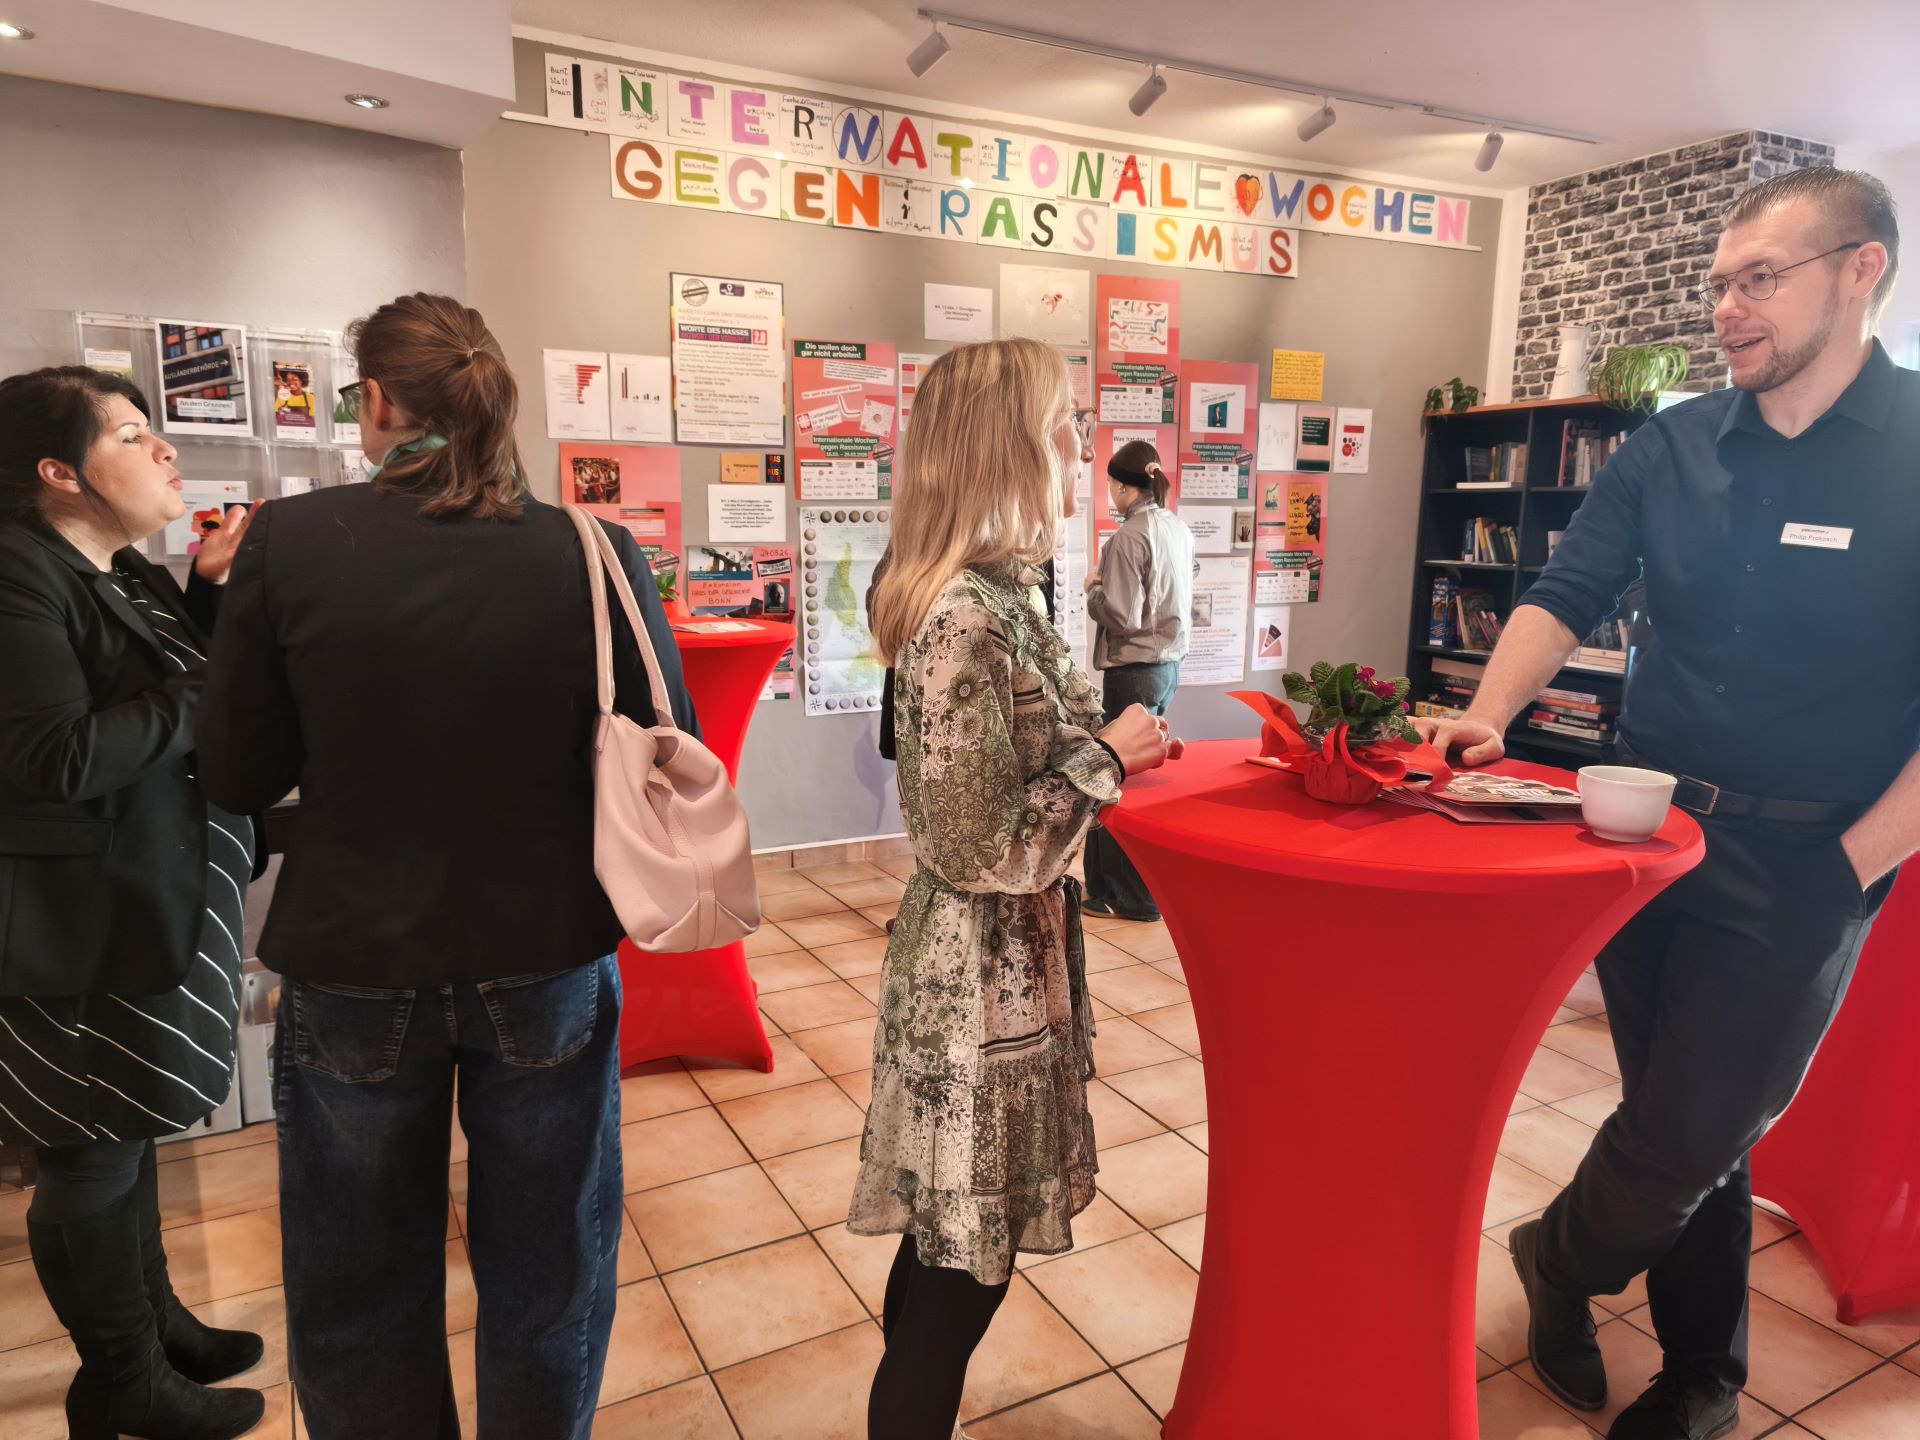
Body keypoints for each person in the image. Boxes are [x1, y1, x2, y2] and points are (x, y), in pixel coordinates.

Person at [1421, 168, 1918, 1440]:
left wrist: (1856, 863)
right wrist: (1494, 703)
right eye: (1719, 284)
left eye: (1761, 279)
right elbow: (1568, 585)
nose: (1729, 311)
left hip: (1816, 857)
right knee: (1683, 1120)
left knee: (1700, 1120)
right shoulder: (1674, 443)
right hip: (1649, 837)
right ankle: (1703, 1372)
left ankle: (1560, 1259)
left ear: (1863, 269)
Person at [196, 293, 698, 1440]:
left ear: (376, 401)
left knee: (358, 1277)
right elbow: (670, 743)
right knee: (552, 1266)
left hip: (355, 953)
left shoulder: (289, 540)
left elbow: (233, 769)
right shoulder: (591, 548)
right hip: (548, 950)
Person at [853, 340, 1178, 1440]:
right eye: (1063, 426)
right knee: (964, 1270)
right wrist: (1111, 759)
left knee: (949, 1247)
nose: (1086, 448)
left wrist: (1101, 750)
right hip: (973, 981)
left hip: (1010, 967)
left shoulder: (1005, 594)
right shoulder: (961, 619)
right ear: (1005, 448)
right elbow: (975, 844)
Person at [0, 366, 266, 1440]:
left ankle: (155, 1324)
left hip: (141, 907)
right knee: (88, 1148)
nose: (164, 452)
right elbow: (54, 754)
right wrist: (207, 688)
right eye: (131, 436)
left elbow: (154, 676)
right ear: (59, 472)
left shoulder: (112, 564)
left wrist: (204, 593)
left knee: (131, 1125)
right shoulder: (16, 571)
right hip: (72, 931)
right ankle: (118, 1381)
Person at [1079, 438, 1196, 921]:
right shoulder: (1175, 526)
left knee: (1115, 780)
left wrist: (1093, 592)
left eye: (1111, 484)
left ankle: (1123, 895)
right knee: (1144, 782)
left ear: (1125, 487)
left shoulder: (1128, 537)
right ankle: (1139, 891)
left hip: (1134, 670)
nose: (1109, 491)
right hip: (1167, 668)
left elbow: (1121, 615)